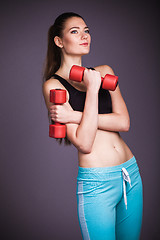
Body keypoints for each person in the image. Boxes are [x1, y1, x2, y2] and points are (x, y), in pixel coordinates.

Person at [42, 12, 143, 240]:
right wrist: (93, 88)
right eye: (74, 31)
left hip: (130, 174)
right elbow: (84, 142)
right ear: (59, 41)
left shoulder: (105, 71)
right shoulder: (53, 85)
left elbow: (123, 122)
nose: (84, 36)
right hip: (98, 183)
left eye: (86, 30)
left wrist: (74, 115)